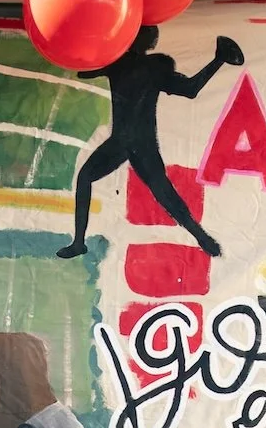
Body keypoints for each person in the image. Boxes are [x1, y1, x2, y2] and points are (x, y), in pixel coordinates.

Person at [57, 27, 244, 261]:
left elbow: (84, 72)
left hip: (128, 140)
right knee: (162, 193)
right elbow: (190, 89)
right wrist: (218, 60)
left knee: (159, 191)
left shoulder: (125, 63)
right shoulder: (141, 64)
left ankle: (78, 242)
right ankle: (203, 238)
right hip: (134, 140)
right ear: (152, 42)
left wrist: (100, 46)